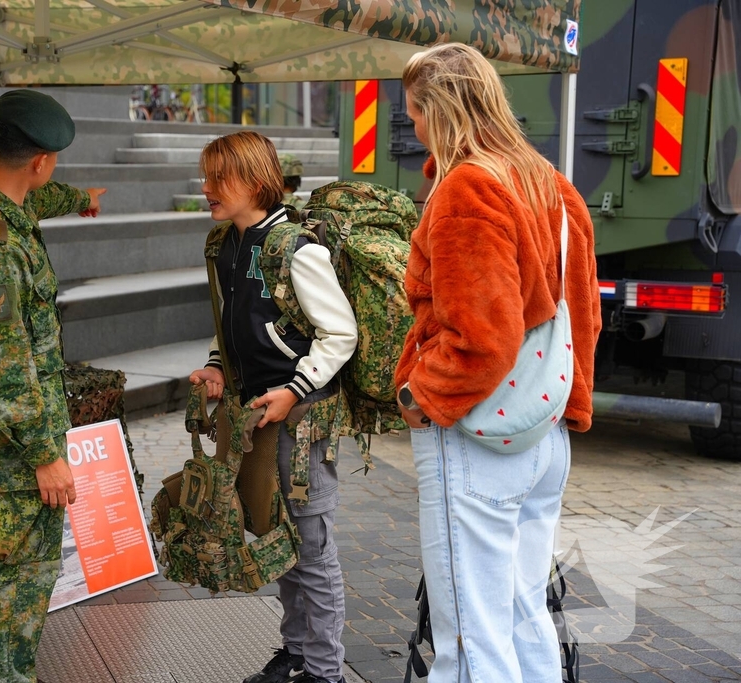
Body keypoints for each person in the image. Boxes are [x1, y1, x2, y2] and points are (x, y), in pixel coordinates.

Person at [393, 43, 601, 682]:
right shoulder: (550, 182)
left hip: (478, 434)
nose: (415, 127)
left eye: (416, 114)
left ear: (439, 107)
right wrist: (571, 406)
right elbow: (585, 316)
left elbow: (481, 337)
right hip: (543, 432)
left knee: (470, 642)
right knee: (524, 614)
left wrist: (418, 397)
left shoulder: (467, 187)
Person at [0, 88, 106, 683]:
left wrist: (78, 199)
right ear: (39, 161)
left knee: (7, 576)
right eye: (52, 164)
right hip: (16, 453)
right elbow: (4, 370)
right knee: (15, 583)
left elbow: (34, 201)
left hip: (0, 444)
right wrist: (45, 456)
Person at [188, 131, 357, 683]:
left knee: (311, 546)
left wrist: (296, 389)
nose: (208, 188)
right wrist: (217, 366)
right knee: (277, 535)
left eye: (220, 178)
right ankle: (296, 654)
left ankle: (326, 671)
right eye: (207, 176)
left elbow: (340, 334)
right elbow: (234, 325)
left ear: (256, 180)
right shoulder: (226, 244)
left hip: (302, 420)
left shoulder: (294, 248)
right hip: (258, 416)